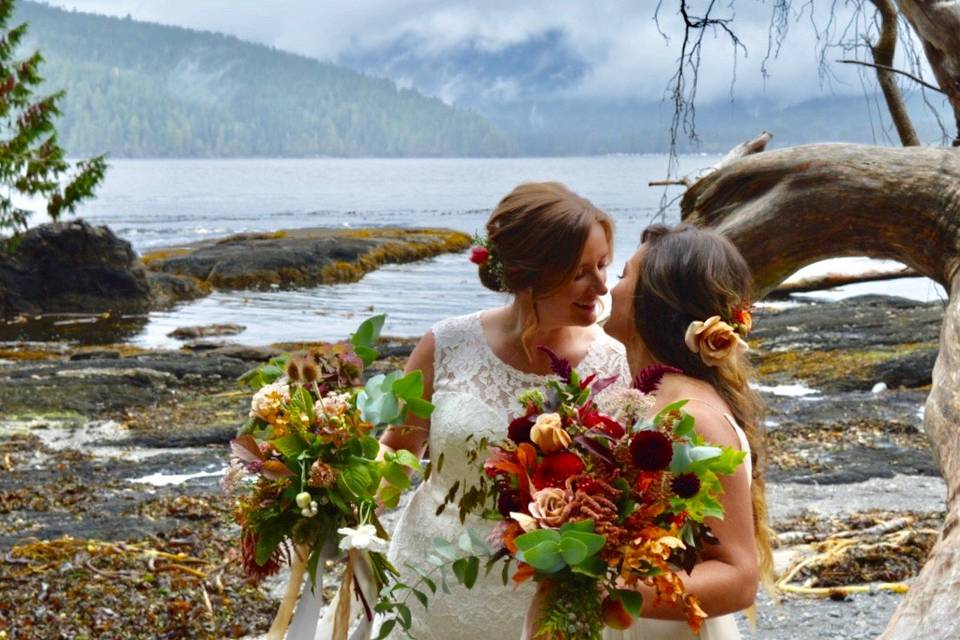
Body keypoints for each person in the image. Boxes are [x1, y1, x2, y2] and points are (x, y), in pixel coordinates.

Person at [378, 182, 630, 639]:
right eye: (580, 273)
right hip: (426, 587)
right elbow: (397, 454)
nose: (601, 286)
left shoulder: (617, 364)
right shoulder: (447, 344)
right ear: (528, 275)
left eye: (603, 265)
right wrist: (330, 501)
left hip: (545, 603)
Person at [527, 223, 774, 640]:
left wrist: (601, 589)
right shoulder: (651, 399)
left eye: (624, 276)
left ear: (654, 302)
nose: (609, 290)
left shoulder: (693, 416)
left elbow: (738, 576)